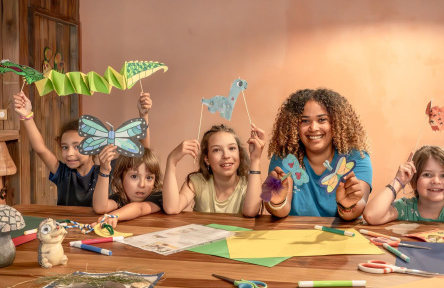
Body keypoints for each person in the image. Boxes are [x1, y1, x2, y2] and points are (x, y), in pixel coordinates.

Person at [12, 91, 152, 206]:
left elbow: (143, 155)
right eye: (65, 147)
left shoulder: (108, 169)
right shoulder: (62, 173)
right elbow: (40, 149)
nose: (69, 153)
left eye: (77, 147)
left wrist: (143, 114)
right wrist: (26, 115)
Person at [266, 88, 372, 219]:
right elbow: (281, 210)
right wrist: (277, 203)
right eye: (305, 121)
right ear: (293, 126)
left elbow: (358, 207)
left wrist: (347, 206)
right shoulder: (284, 158)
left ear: (336, 123)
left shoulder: (356, 157)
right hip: (295, 235)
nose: (314, 128)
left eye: (322, 120)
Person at [363, 146, 444, 232]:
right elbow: (371, 216)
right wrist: (398, 181)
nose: (436, 181)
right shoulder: (405, 208)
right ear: (413, 181)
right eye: (427, 175)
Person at [163, 124, 265, 217]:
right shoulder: (198, 182)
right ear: (207, 159)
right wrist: (172, 160)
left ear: (240, 154)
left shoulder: (248, 185)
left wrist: (255, 160)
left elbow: (250, 211)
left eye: (232, 148)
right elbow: (172, 208)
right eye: (217, 150)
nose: (226, 155)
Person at [92, 147, 163, 227]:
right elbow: (100, 208)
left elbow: (139, 208)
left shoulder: (157, 197)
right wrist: (104, 170)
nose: (142, 184)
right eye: (134, 176)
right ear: (121, 178)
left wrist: (112, 216)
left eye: (149, 178)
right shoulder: (121, 197)